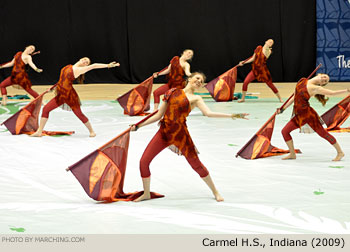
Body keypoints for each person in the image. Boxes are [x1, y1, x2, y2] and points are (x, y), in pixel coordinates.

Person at [130, 72, 249, 202]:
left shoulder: (196, 99)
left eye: (202, 81)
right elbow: (159, 115)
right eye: (197, 78)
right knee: (143, 161)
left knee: (196, 165)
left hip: (181, 136)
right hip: (164, 133)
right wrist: (138, 126)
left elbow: (208, 113)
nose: (199, 81)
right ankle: (146, 193)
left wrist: (232, 115)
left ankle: (215, 191)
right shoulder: (172, 92)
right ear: (189, 78)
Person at [31, 57, 120, 137]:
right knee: (46, 109)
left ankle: (92, 131)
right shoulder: (68, 66)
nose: (85, 61)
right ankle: (39, 131)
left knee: (79, 114)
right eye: (85, 59)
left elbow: (94, 66)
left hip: (70, 96)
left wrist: (108, 65)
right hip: (61, 95)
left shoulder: (79, 70)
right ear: (81, 58)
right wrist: (53, 88)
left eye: (87, 62)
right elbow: (62, 80)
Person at [277, 74, 350, 161]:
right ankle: (292, 154)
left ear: (322, 85)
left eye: (325, 81)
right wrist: (283, 109)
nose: (324, 80)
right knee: (285, 131)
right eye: (324, 77)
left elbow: (331, 93)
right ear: (320, 74)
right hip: (298, 115)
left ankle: (340, 152)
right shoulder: (302, 80)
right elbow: (294, 97)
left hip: (308, 115)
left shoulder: (316, 88)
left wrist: (347, 90)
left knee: (323, 133)